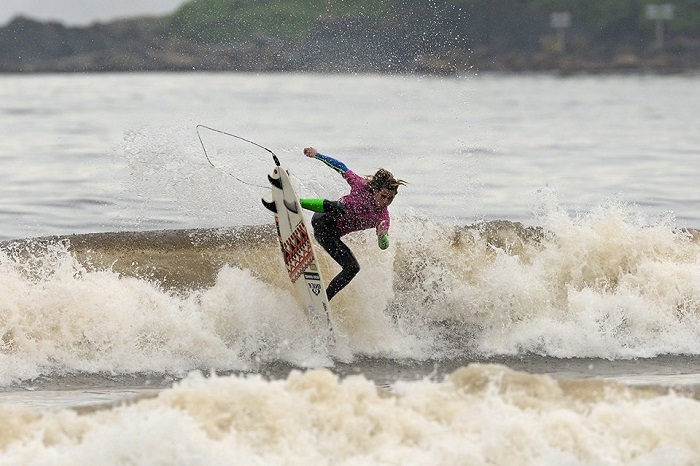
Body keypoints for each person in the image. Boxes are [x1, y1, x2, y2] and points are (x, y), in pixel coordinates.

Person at [300, 147, 406, 301]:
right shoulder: (361, 186)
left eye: (390, 198)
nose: (386, 202)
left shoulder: (382, 217)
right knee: (340, 207)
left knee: (353, 268)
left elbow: (383, 245)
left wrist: (382, 236)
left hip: (329, 237)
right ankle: (298, 202)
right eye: (383, 196)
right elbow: (340, 167)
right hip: (323, 219)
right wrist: (317, 155)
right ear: (376, 190)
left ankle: (323, 300)